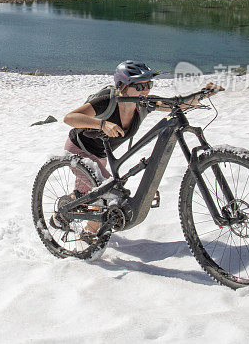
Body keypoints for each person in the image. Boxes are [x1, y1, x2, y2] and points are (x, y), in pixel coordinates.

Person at [63, 60, 218, 235]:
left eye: (148, 85)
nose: (145, 91)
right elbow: (70, 118)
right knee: (108, 195)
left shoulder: (143, 104)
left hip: (100, 155)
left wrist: (203, 95)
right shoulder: (107, 101)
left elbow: (174, 105)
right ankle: (88, 236)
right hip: (79, 150)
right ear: (122, 86)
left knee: (85, 196)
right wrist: (102, 124)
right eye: (139, 87)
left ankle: (63, 218)